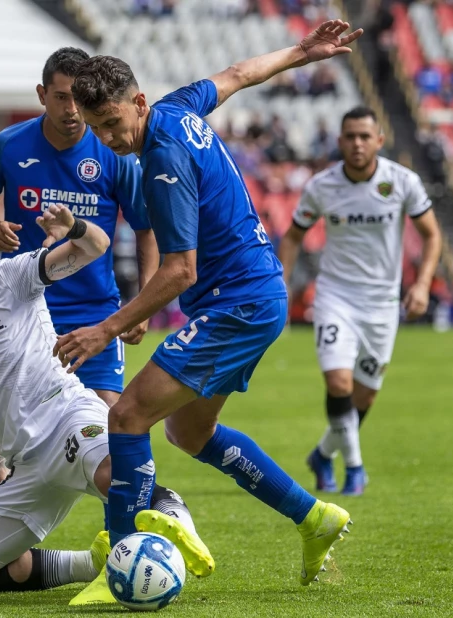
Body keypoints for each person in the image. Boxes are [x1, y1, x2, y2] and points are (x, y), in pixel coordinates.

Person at [54, 19, 362, 588]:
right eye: (97, 128)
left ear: (137, 102)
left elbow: (180, 270)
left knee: (126, 416)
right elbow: (240, 74)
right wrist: (302, 50)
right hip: (250, 297)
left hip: (236, 304)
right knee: (189, 434)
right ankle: (314, 517)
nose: (109, 139)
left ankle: (121, 559)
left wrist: (109, 327)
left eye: (114, 123)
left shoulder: (164, 161)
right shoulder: (176, 107)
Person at [0, 203, 209, 603]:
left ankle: (177, 519)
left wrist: (76, 226)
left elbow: (95, 246)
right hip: (27, 465)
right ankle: (96, 563)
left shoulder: (11, 277)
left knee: (113, 476)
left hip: (67, 418)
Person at [0, 47, 158, 411]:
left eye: (78, 99)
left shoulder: (114, 153)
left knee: (106, 428)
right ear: (42, 95)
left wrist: (143, 305)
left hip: (94, 312)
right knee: (18, 432)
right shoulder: (7, 146)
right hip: (22, 309)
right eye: (61, 98)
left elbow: (146, 229)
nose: (71, 109)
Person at [277, 107, 443, 496]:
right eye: (350, 136)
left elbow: (433, 235)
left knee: (364, 394)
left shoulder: (402, 182)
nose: (357, 143)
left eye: (365, 137)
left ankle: (322, 454)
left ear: (379, 141)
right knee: (339, 382)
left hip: (383, 303)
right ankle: (354, 468)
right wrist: (280, 286)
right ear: (340, 141)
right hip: (336, 296)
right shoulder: (322, 186)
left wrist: (421, 285)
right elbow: (292, 237)